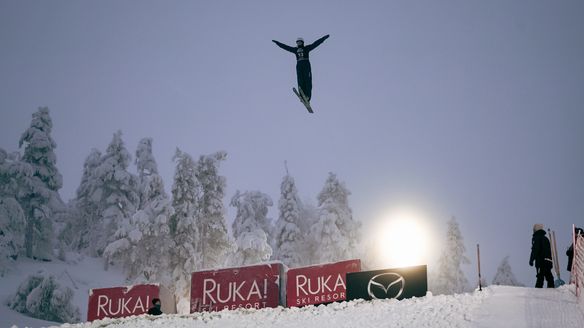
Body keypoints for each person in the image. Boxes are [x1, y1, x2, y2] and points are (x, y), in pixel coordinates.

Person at [272, 35, 330, 102]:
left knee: (307, 80)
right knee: (300, 80)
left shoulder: (306, 48)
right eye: (297, 42)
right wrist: (277, 43)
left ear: (302, 42)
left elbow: (315, 44)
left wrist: (323, 38)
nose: (299, 43)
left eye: (300, 42)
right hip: (299, 65)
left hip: (306, 64)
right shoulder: (295, 50)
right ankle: (302, 95)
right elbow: (286, 47)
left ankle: (307, 96)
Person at [529, 224, 555, 288]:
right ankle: (551, 289)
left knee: (540, 277)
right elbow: (549, 251)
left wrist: (531, 260)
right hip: (548, 260)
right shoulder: (546, 239)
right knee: (549, 276)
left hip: (541, 261)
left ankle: (538, 291)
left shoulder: (536, 238)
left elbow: (535, 249)